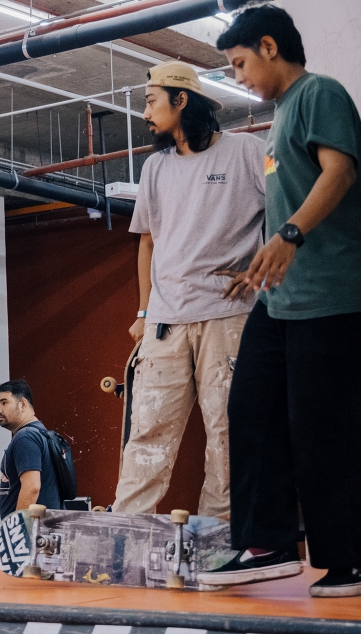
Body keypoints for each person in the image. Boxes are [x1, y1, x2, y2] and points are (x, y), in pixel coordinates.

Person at [199, 5, 361, 597]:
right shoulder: (280, 117)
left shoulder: (319, 93)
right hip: (281, 295)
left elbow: (338, 173)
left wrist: (289, 236)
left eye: (240, 63)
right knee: (251, 409)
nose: (238, 77)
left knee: (321, 428)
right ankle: (266, 543)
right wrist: (261, 262)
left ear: (270, 46)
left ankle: (347, 560)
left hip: (331, 293)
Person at [111, 61, 266, 521]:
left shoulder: (248, 152)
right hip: (164, 320)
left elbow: (287, 211)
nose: (145, 114)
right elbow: (147, 242)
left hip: (229, 314)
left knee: (229, 432)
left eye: (151, 101)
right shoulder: (155, 168)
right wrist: (143, 310)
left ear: (182, 100)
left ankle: (219, 537)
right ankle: (125, 530)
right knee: (148, 430)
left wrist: (262, 268)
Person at [0, 380, 60, 519]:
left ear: (23, 404)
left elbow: (32, 488)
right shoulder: (39, 432)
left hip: (33, 532)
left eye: (4, 402)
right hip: (43, 529)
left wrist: (17, 527)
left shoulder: (26, 437)